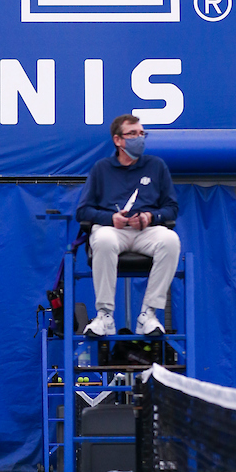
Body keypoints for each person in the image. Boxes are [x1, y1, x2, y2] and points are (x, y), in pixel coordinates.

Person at [75, 114, 180, 338]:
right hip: (113, 230)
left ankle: (148, 314)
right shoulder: (101, 169)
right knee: (103, 239)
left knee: (171, 240)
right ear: (117, 140)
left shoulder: (156, 166)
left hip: (146, 231)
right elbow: (83, 211)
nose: (139, 138)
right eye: (132, 134)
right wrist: (110, 218)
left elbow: (171, 208)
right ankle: (104, 315)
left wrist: (150, 217)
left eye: (142, 133)